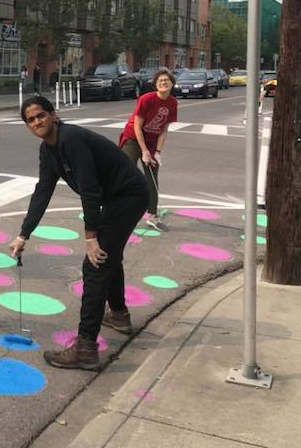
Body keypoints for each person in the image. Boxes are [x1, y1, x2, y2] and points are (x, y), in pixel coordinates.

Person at [9, 96, 148, 371]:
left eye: (41, 115)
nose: (37, 122)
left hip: (129, 196)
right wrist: (24, 235)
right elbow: (43, 192)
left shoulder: (71, 139)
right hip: (116, 199)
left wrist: (91, 238)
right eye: (31, 120)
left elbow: (90, 189)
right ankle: (118, 315)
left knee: (95, 265)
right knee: (108, 258)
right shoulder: (48, 150)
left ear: (53, 115)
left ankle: (85, 348)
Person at [118, 69, 178, 232]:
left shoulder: (173, 103)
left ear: (172, 83)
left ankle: (152, 215)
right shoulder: (146, 99)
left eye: (167, 80)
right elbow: (137, 126)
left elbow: (164, 129)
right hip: (133, 138)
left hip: (152, 142)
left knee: (152, 176)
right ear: (155, 84)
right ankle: (114, 208)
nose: (164, 83)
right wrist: (144, 151)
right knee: (125, 173)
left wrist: (157, 152)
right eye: (160, 81)